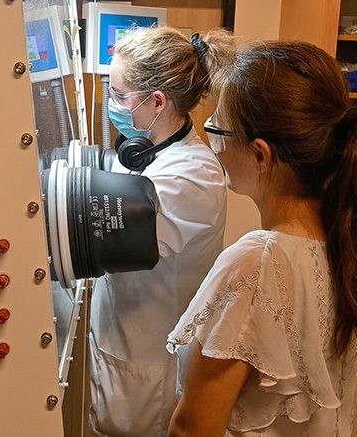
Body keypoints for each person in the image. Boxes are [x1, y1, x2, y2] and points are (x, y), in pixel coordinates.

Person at [167, 40, 357, 436]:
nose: (214, 144)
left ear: (261, 155)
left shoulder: (257, 262)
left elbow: (193, 428)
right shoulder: (352, 241)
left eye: (218, 129)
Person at [87, 27, 236, 436]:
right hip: (119, 340)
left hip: (149, 362)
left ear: (157, 101)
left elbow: (106, 236)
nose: (112, 104)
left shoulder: (192, 175)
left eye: (119, 95)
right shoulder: (140, 150)